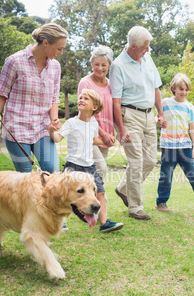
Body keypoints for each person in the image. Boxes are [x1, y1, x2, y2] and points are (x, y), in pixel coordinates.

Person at [0, 23, 68, 173]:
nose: (60, 53)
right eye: (59, 48)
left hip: (42, 128)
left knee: (52, 172)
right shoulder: (15, 61)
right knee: (25, 177)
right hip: (17, 127)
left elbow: (54, 98)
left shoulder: (55, 67)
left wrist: (54, 120)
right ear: (45, 43)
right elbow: (1, 94)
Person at [109, 26, 167, 220]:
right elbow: (115, 100)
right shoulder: (118, 65)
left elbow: (156, 88)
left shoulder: (148, 59)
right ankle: (135, 208)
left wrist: (161, 113)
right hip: (130, 115)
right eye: (145, 47)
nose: (148, 50)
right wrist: (121, 128)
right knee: (135, 162)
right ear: (133, 46)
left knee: (150, 160)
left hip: (149, 115)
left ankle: (123, 188)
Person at [48, 89, 124, 233]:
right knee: (64, 195)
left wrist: (105, 141)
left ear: (94, 107)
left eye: (86, 99)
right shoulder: (71, 122)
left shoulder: (94, 123)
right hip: (74, 166)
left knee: (100, 192)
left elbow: (92, 139)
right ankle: (60, 221)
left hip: (90, 166)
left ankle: (104, 223)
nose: (81, 100)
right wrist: (51, 131)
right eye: (80, 98)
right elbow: (58, 138)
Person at [156, 73, 194, 213]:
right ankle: (161, 203)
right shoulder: (165, 103)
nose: (184, 92)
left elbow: (193, 129)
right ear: (174, 89)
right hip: (168, 147)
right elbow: (157, 117)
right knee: (166, 176)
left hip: (185, 147)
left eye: (186, 89)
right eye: (181, 89)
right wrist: (158, 121)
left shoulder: (190, 107)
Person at [78, 46, 116, 215]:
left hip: (107, 135)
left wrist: (115, 132)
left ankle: (88, 206)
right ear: (91, 64)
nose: (100, 68)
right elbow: (86, 111)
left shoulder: (111, 84)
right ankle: (101, 212)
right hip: (89, 134)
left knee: (96, 175)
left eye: (104, 65)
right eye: (96, 64)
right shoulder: (85, 83)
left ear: (109, 65)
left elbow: (113, 108)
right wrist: (103, 133)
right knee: (100, 170)